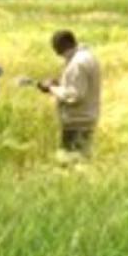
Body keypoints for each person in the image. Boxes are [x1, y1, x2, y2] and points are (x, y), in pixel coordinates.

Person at [37, 30, 102, 159]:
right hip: (87, 117)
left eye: (56, 48)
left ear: (62, 45)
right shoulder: (88, 56)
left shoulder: (77, 63)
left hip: (77, 120)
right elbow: (81, 85)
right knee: (82, 158)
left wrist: (51, 88)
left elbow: (74, 95)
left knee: (71, 161)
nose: (57, 53)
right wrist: (59, 84)